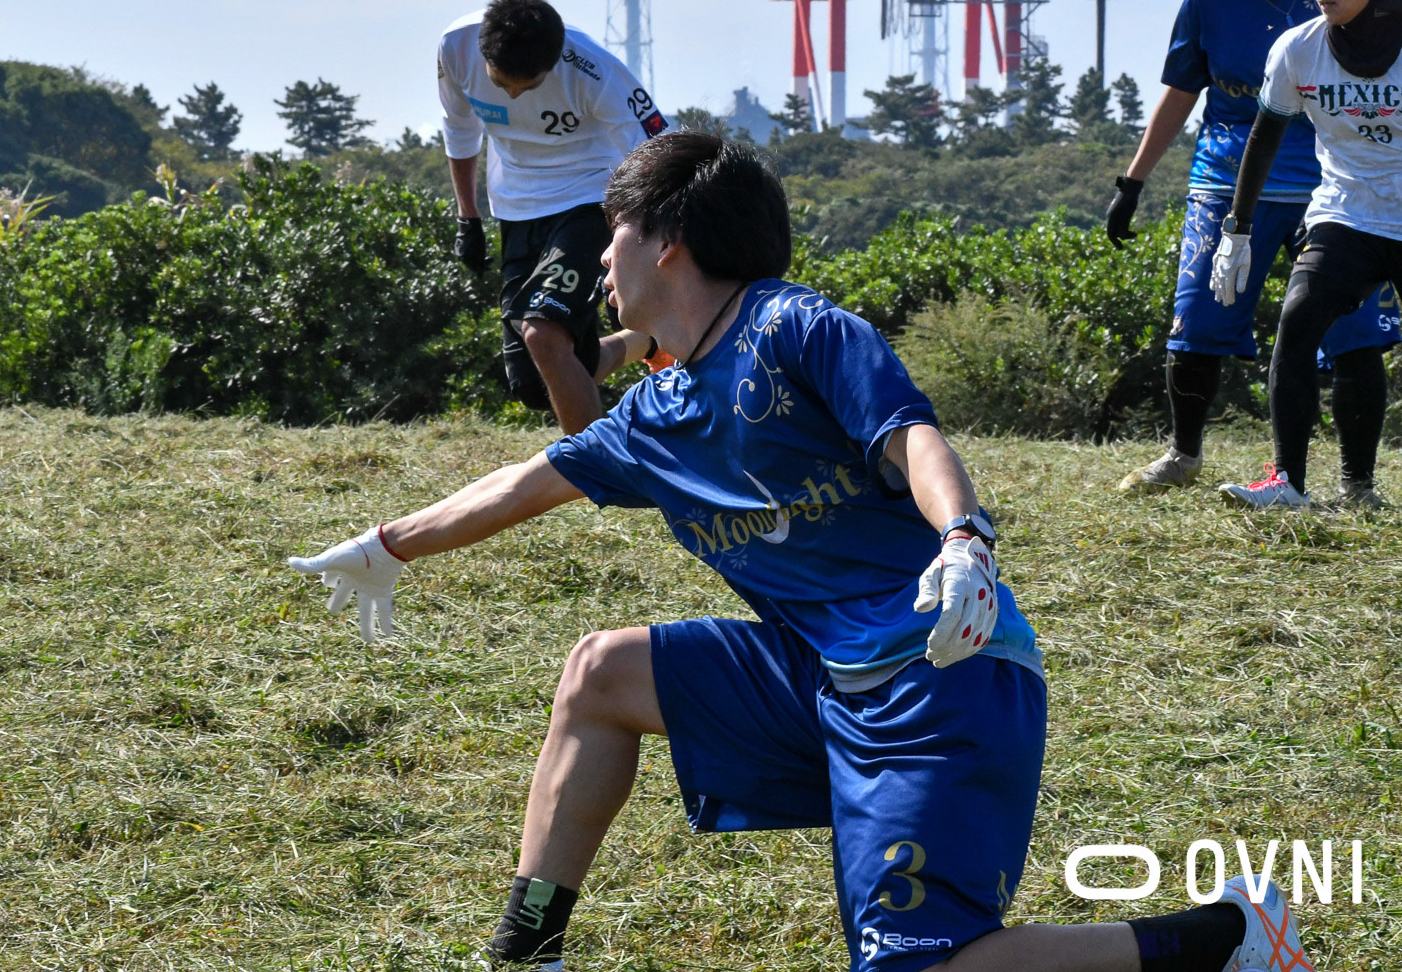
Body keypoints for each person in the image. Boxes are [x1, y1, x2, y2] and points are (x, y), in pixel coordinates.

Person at [289, 132, 1312, 971]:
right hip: (821, 677)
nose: (601, 259)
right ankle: (526, 950)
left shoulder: (798, 328)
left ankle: (1225, 937)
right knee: (601, 673)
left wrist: (965, 539)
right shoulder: (658, 411)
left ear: (670, 242)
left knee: (919, 967)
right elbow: (531, 479)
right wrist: (387, 546)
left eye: (613, 232)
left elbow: (913, 436)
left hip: (939, 674)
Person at [1108, 0, 1398, 498]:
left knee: (1353, 335)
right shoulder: (1217, 2)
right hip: (1249, 185)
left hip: (1338, 192)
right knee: (1203, 320)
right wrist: (1133, 183)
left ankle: (1357, 483)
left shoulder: (1352, 4)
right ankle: (1191, 457)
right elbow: (1185, 94)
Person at [1211, 0, 1402, 510]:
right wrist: (1237, 230)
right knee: (1296, 327)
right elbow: (1264, 135)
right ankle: (1287, 483)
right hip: (1346, 215)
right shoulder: (1298, 48)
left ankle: (1360, 487)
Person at [440, 0, 669, 434]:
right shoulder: (455, 46)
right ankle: (647, 342)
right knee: (535, 382)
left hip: (592, 197)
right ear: (484, 54)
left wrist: (644, 243)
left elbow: (657, 151)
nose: (513, 94)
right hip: (516, 207)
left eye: (529, 85)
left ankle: (597, 465)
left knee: (543, 334)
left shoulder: (594, 69)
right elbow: (460, 129)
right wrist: (468, 218)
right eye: (502, 81)